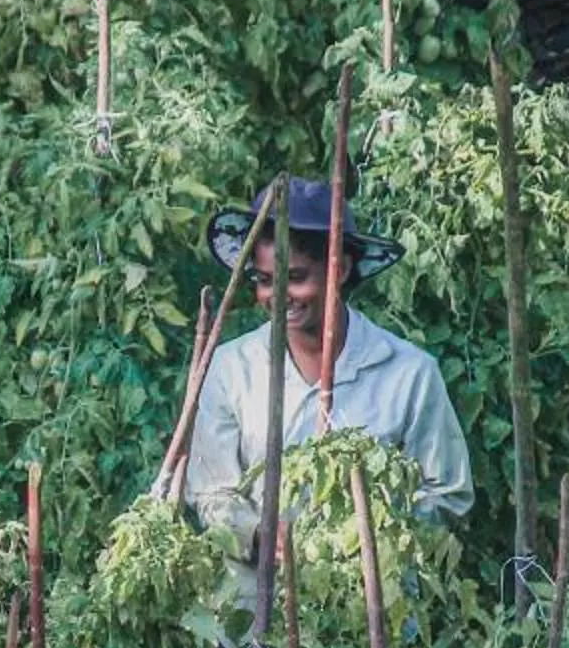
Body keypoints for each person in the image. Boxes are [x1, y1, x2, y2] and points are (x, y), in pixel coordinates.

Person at [179, 175, 474, 564]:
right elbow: (209, 491)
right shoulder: (231, 368)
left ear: (341, 268)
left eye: (296, 278)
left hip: (372, 603)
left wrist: (367, 534)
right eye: (265, 281)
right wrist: (257, 534)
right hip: (255, 604)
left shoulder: (409, 374)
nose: (278, 295)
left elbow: (448, 495)